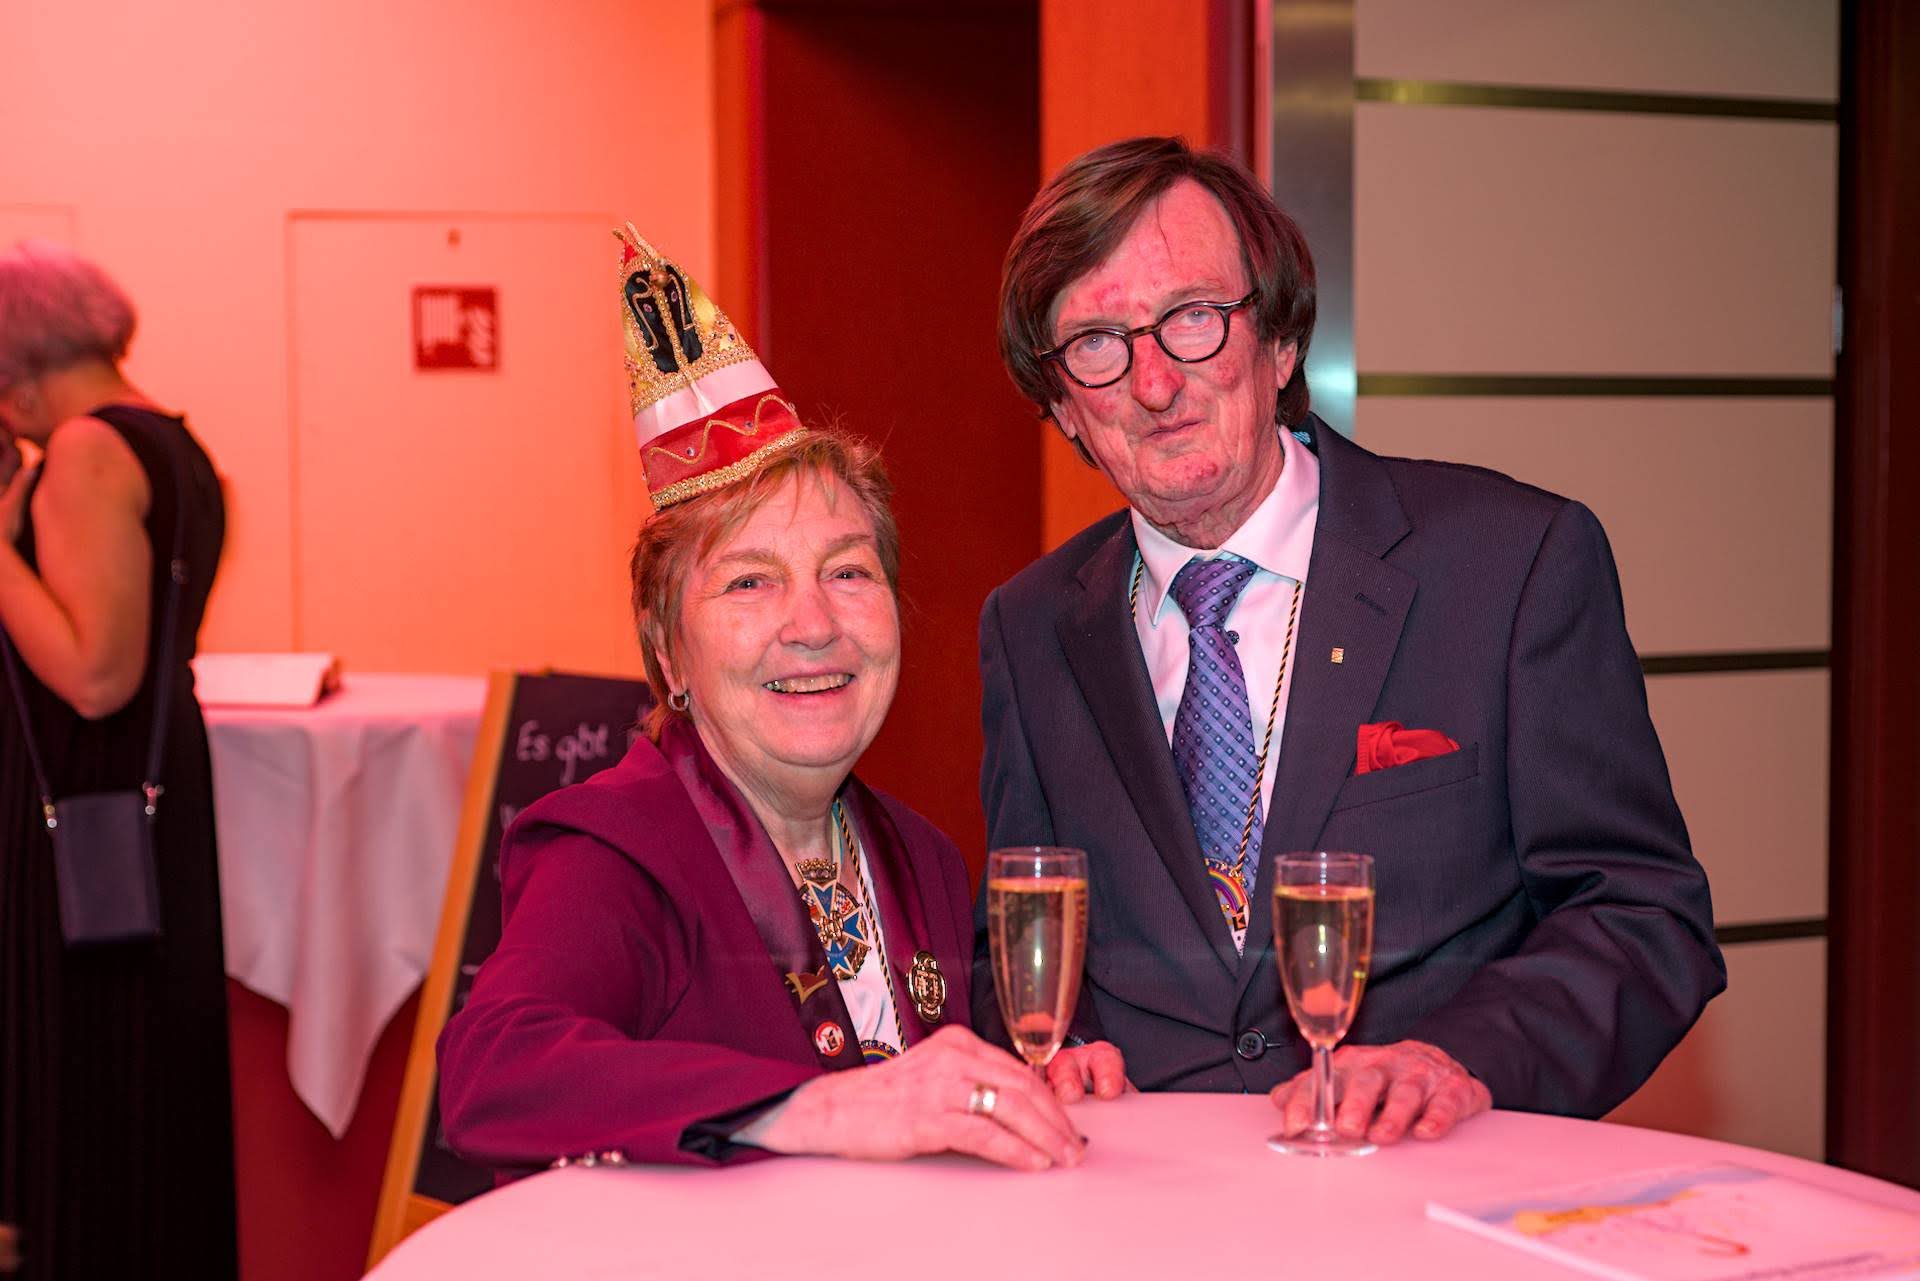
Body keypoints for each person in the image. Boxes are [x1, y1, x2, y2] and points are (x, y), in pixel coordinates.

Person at [977, 136, 1725, 1145]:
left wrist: (1458, 1059)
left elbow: (1641, 915)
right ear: (1064, 405)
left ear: (1280, 342)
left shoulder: (1510, 566)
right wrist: (1059, 1046)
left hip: (1428, 1185)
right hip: (1143, 1198)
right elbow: (1013, 942)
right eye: (1098, 343)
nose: (1154, 383)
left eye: (1194, 318)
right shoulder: (1028, 629)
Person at [437, 228, 1124, 1177]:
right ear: (668, 649)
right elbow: (492, 1072)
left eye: (848, 571)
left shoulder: (922, 857)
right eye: (750, 582)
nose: (812, 624)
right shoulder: (615, 849)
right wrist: (821, 1106)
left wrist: (1029, 1075)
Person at [0, 242, 233, 1279]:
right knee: (147, 1082)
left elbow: (95, 675)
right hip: (143, 799)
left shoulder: (86, 451)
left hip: (81, 807)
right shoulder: (171, 442)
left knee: (83, 1084)